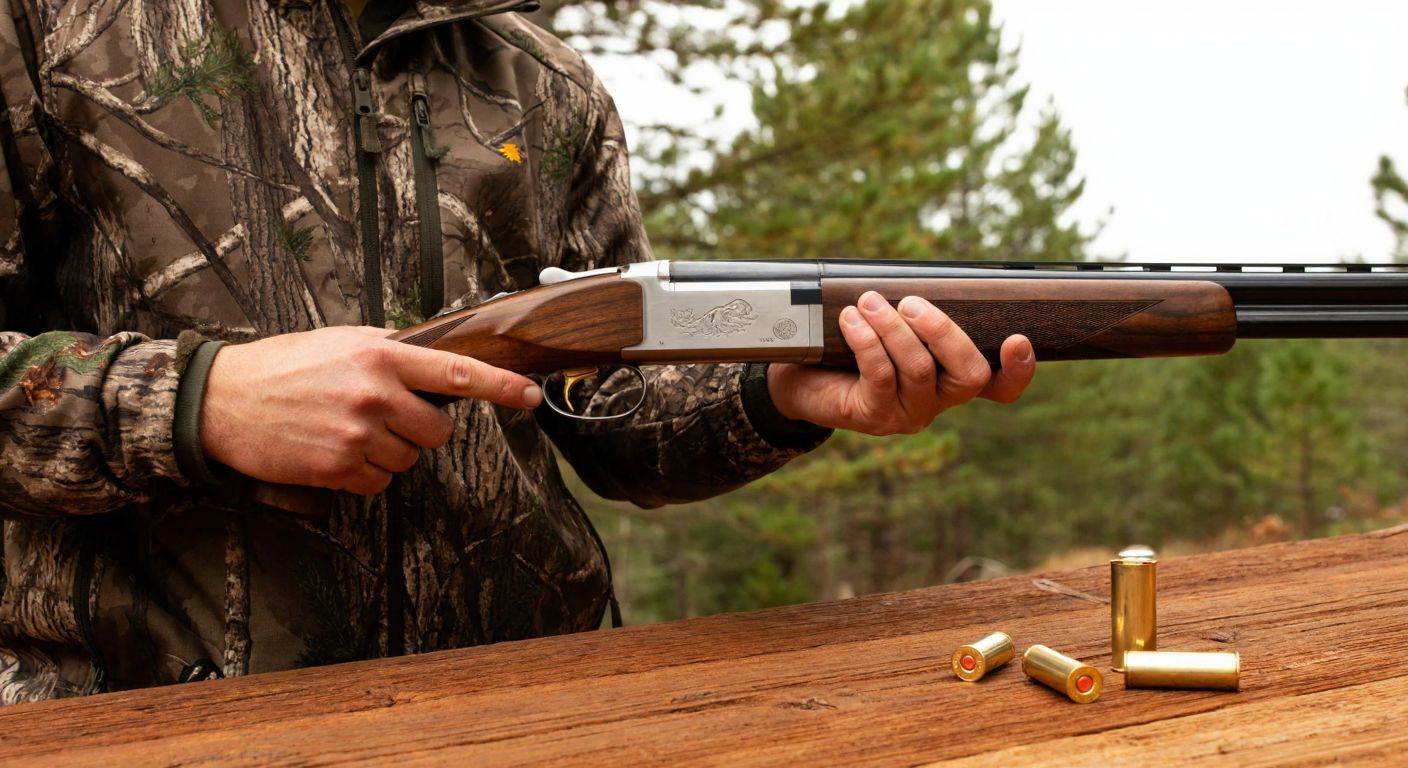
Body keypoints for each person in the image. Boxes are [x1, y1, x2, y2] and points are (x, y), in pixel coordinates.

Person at [0, 0, 1035, 704]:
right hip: (128, 724)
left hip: (528, 705)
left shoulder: (541, 80)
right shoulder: (46, 27)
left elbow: (612, 419)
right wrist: (195, 402)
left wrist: (781, 394)